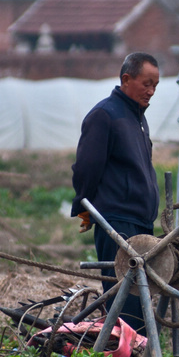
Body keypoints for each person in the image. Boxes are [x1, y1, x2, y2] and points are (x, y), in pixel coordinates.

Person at [71, 52, 161, 333]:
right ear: (126, 79)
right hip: (117, 224)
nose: (151, 91)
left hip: (142, 224)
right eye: (146, 83)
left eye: (155, 85)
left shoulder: (138, 120)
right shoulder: (105, 115)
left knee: (142, 301)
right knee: (126, 305)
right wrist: (86, 207)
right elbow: (86, 168)